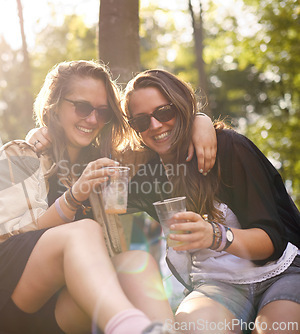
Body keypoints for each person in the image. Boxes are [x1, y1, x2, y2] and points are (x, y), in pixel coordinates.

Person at [0, 60, 183, 334]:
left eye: (103, 112)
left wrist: (199, 122)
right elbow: (10, 236)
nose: (92, 119)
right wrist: (73, 197)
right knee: (82, 231)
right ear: (54, 105)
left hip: (59, 308)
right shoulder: (20, 155)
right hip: (0, 301)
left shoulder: (105, 164)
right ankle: (131, 327)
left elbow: (160, 143)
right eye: (82, 107)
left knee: (138, 263)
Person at [123, 69, 300, 333]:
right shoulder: (150, 175)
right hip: (217, 284)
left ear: (181, 107)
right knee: (193, 327)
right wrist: (40, 140)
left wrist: (214, 236)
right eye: (141, 121)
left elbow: (272, 243)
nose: (155, 126)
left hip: (279, 272)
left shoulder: (228, 147)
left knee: (277, 328)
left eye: (164, 112)